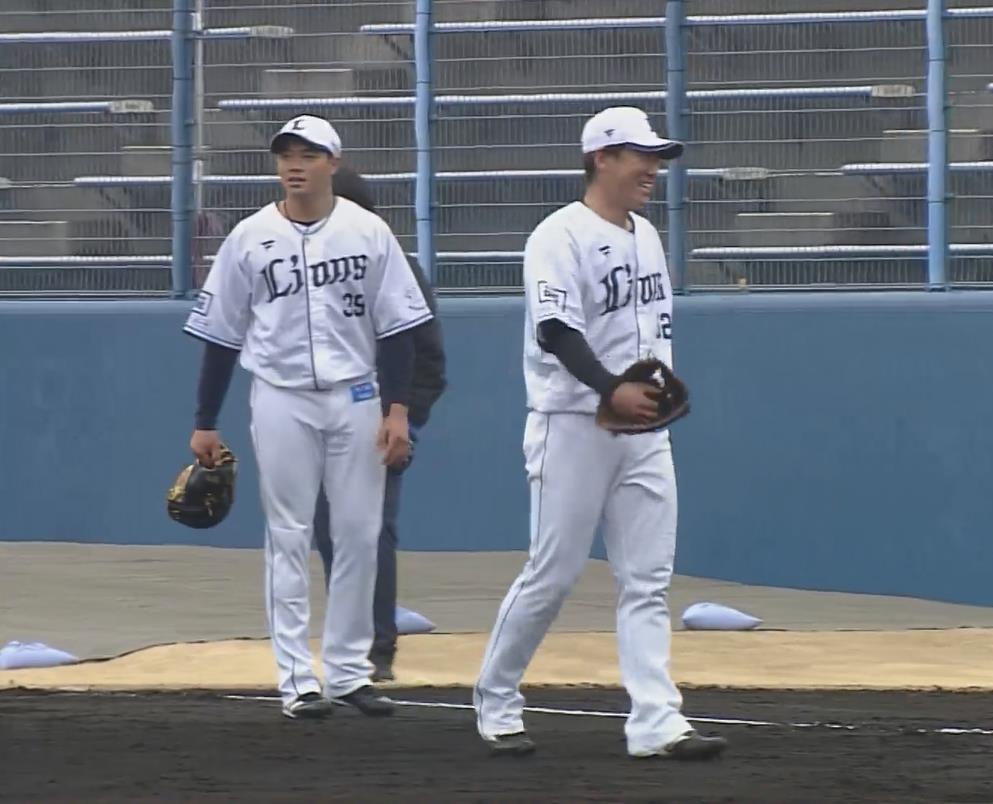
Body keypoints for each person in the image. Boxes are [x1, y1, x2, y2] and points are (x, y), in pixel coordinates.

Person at [471, 106, 727, 761]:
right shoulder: (558, 235)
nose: (653, 168)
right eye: (641, 156)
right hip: (571, 424)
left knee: (647, 579)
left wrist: (648, 392)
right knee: (552, 573)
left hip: (643, 430)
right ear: (601, 159)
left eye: (657, 158)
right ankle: (496, 697)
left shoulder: (647, 235)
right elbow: (555, 330)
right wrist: (609, 386)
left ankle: (656, 722)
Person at [182, 114, 434, 720]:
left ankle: (348, 672)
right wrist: (205, 419)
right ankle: (297, 679)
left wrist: (398, 410)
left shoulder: (368, 232)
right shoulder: (249, 237)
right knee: (289, 534)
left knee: (359, 534)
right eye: (286, 155)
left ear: (332, 163)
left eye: (308, 154)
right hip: (281, 397)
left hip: (356, 395)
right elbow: (221, 336)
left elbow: (398, 330)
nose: (294, 165)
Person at [312, 165, 448, 683]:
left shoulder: (393, 265)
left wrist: (404, 419)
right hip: (319, 418)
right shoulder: (309, 267)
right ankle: (352, 640)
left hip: (377, 419)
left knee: (367, 529)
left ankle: (375, 650)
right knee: (329, 531)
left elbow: (428, 358)